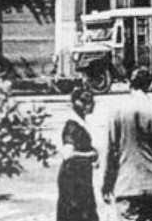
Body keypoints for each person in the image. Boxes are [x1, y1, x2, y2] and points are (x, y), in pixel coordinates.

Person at [102, 68, 152, 221]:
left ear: (130, 83)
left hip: (126, 183)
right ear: (148, 85)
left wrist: (106, 183)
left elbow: (110, 150)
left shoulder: (117, 110)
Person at [58, 88, 99, 221]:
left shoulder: (79, 122)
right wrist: (90, 154)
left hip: (79, 176)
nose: (91, 105)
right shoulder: (73, 125)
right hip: (73, 178)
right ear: (77, 103)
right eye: (87, 101)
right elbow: (67, 154)